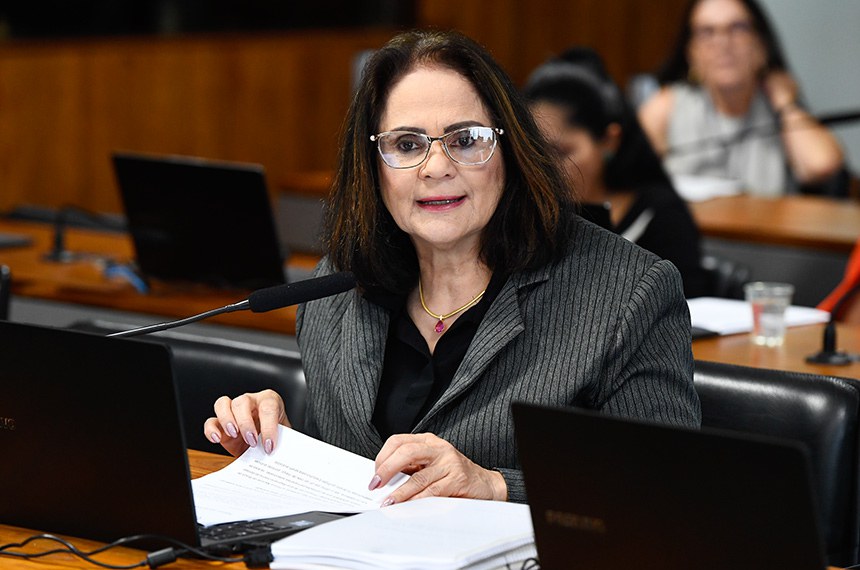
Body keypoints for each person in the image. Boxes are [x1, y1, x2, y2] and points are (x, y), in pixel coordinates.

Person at [204, 30, 701, 505]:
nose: (436, 167)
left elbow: (668, 487)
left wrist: (495, 486)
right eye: (406, 144)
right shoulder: (335, 288)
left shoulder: (629, 291)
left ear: (510, 150)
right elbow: (356, 475)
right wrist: (281, 449)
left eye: (465, 140)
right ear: (372, 166)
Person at [524, 47, 710, 299]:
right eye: (535, 153)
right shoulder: (528, 214)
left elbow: (688, 307)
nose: (547, 167)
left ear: (609, 141)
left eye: (562, 152)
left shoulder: (660, 214)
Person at [638, 0, 845, 197]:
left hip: (765, 232)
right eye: (707, 32)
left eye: (737, 28)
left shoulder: (778, 107)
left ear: (761, 44)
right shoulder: (665, 107)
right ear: (691, 52)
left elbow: (821, 166)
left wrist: (784, 101)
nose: (723, 43)